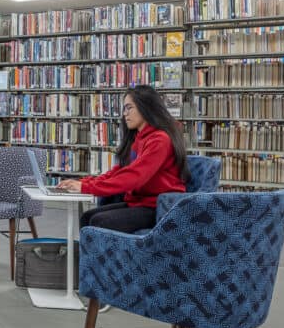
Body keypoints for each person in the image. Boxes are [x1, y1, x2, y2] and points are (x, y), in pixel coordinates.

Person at [55, 85, 189, 233]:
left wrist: (87, 187)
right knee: (87, 218)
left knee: (98, 222)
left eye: (129, 108)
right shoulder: (140, 138)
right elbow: (121, 170)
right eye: (124, 109)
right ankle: (88, 257)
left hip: (158, 207)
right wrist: (83, 183)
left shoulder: (160, 140)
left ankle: (99, 256)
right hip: (140, 202)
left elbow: (134, 176)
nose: (125, 114)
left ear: (146, 108)